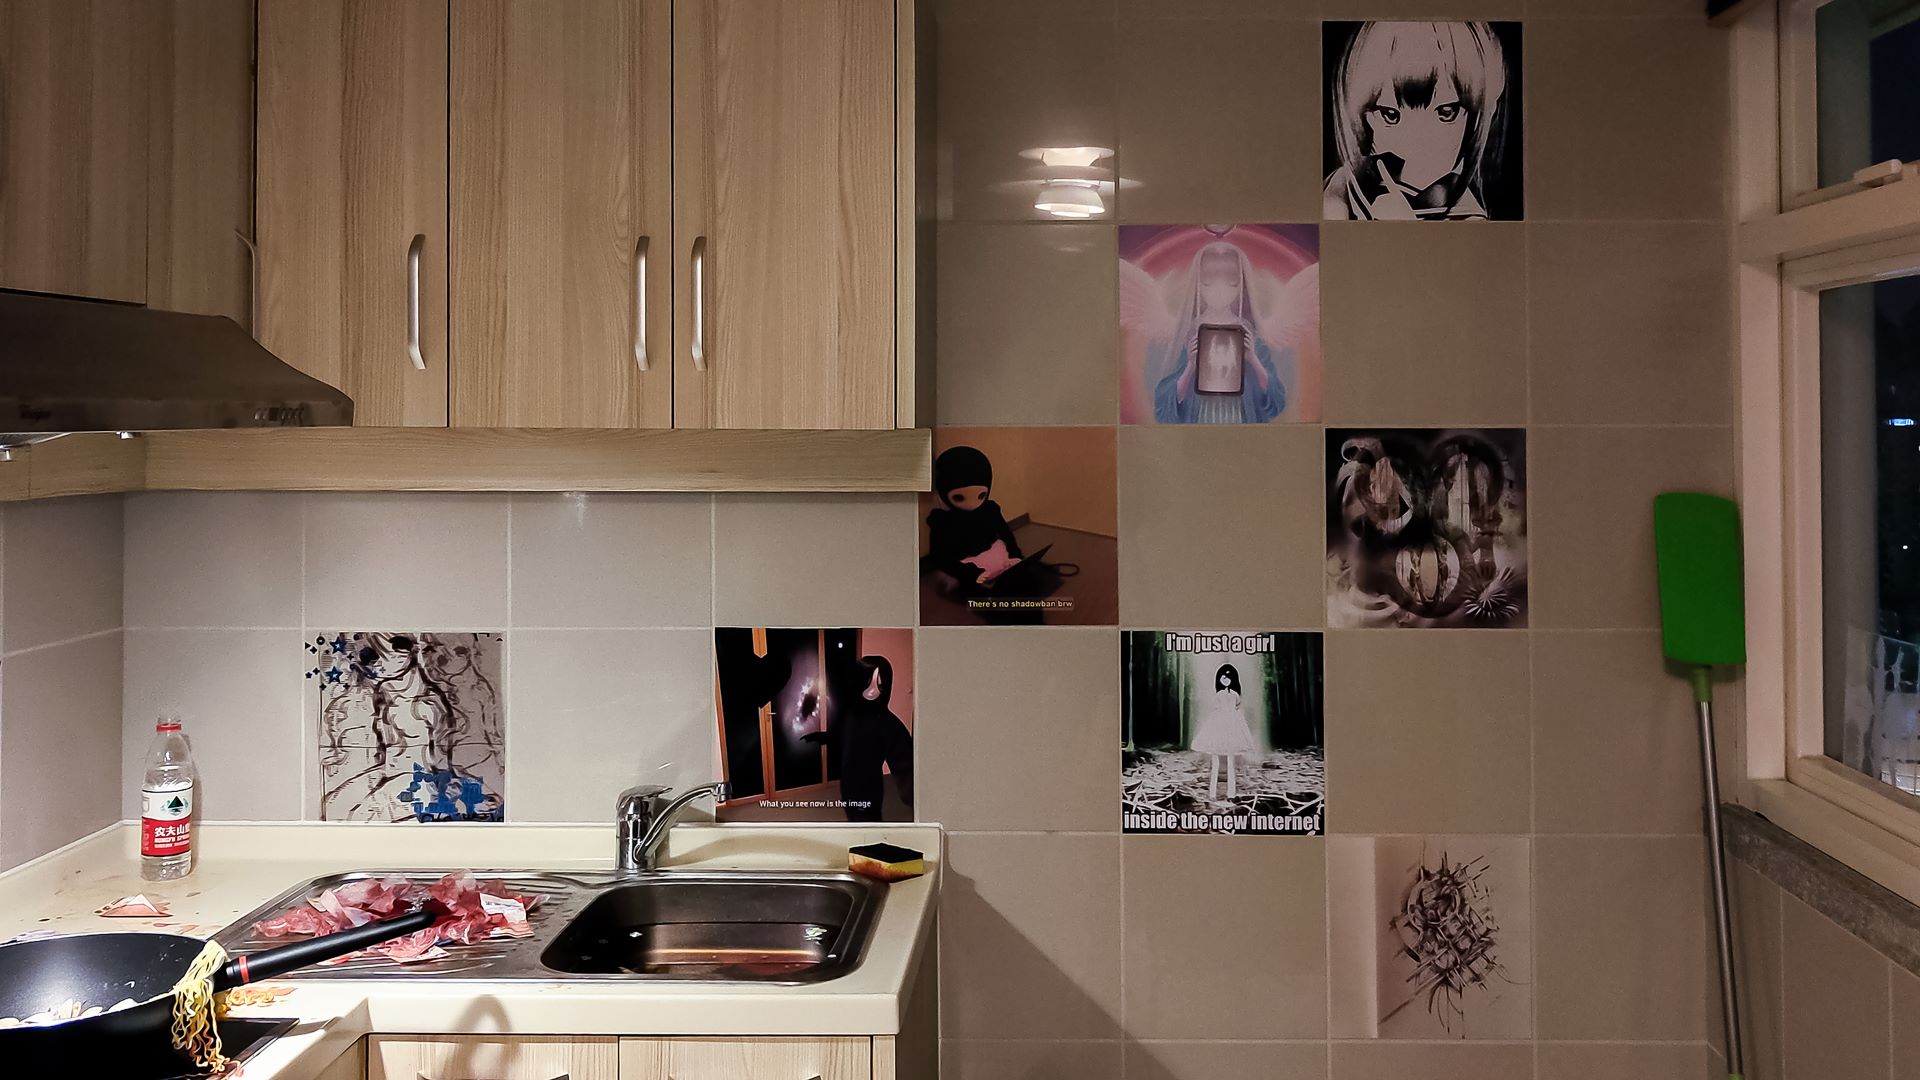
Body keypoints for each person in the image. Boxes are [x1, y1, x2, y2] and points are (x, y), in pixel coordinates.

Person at [1324, 21, 1510, 221]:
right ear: (1363, 117)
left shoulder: (1468, 217)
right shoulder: (1345, 188)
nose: (1417, 144)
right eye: (1390, 114)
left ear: (1474, 119)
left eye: (1446, 112)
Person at [1151, 241, 1288, 424]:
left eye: (1231, 280)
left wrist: (1253, 359)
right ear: (1198, 284)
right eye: (1209, 280)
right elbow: (1165, 402)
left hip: (1241, 418)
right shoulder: (1189, 333)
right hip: (1199, 418)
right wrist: (1191, 366)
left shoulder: (1249, 334)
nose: (1219, 288)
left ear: (1242, 285)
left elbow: (1275, 399)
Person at [1190, 663, 1258, 801]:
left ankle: (1228, 794)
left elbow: (1232, 708)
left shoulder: (1231, 695)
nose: (1225, 679)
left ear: (1233, 679)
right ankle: (1214, 793)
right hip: (1221, 727)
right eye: (1222, 676)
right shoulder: (1224, 695)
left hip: (1229, 728)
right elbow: (1230, 708)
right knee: (1217, 763)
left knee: (1229, 763)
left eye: (1228, 676)